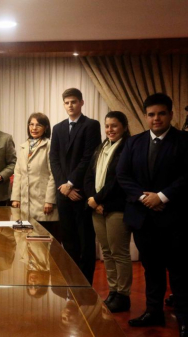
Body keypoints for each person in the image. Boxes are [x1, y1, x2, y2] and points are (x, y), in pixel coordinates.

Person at [117, 93, 188, 334]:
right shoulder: (133, 142)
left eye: (161, 113)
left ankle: (185, 318)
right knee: (152, 269)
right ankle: (153, 311)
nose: (156, 118)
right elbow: (123, 175)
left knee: (179, 270)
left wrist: (163, 196)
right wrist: (145, 197)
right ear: (145, 116)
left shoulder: (184, 141)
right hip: (143, 218)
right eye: (151, 114)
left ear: (170, 114)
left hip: (175, 217)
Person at [49, 88, 101, 284]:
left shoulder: (91, 125)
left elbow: (89, 158)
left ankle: (86, 284)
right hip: (63, 194)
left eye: (74, 102)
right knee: (68, 240)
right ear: (63, 105)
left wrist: (70, 184)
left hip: (81, 192)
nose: (70, 105)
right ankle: (71, 282)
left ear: (81, 103)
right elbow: (53, 158)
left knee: (85, 240)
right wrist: (63, 185)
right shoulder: (58, 128)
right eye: (67, 102)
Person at [84, 111, 132, 313]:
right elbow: (89, 175)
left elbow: (119, 180)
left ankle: (123, 295)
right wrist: (92, 200)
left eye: (114, 126)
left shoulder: (128, 147)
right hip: (97, 208)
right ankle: (113, 291)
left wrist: (99, 199)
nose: (110, 130)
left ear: (123, 126)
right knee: (106, 252)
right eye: (107, 126)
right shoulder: (101, 147)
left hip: (116, 208)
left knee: (119, 252)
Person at [11, 112, 60, 240]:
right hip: (25, 203)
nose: (34, 128)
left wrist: (49, 200)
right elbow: (18, 174)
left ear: (45, 128)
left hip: (43, 202)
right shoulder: (23, 146)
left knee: (43, 244)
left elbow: (53, 174)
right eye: (31, 124)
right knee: (25, 241)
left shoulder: (50, 145)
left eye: (38, 125)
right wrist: (15, 198)